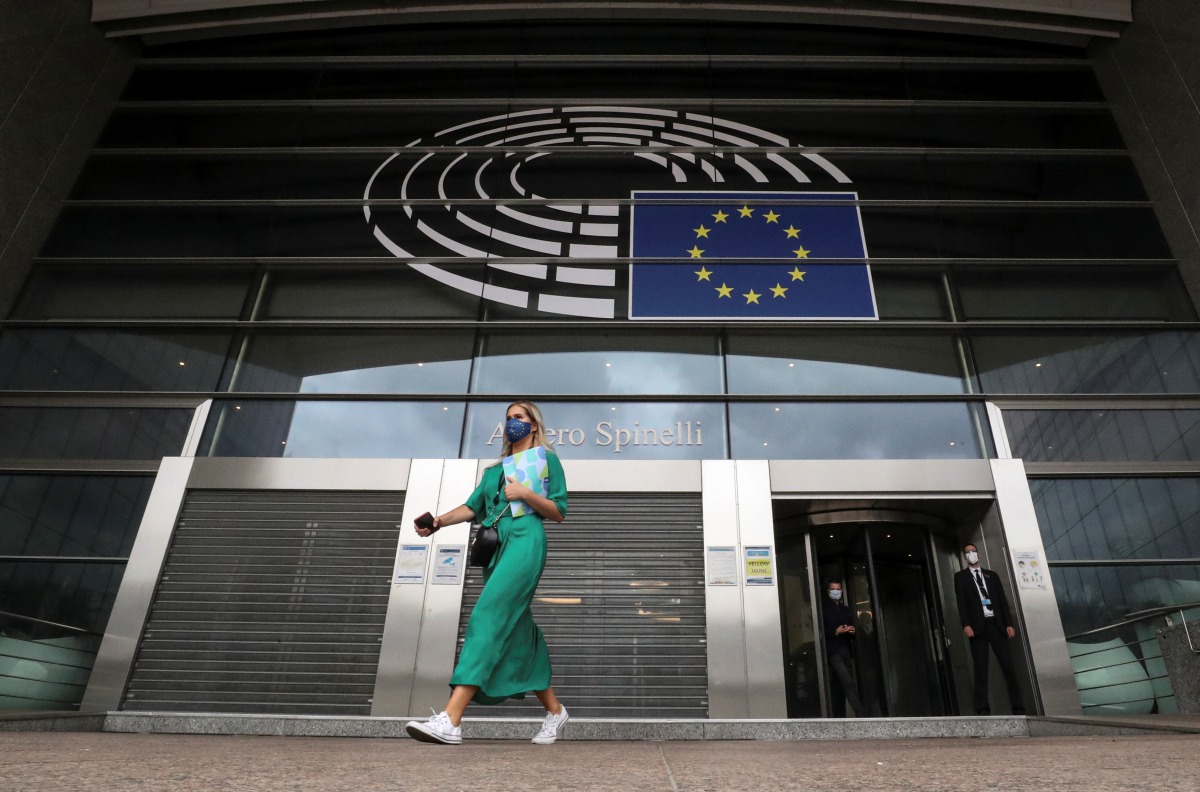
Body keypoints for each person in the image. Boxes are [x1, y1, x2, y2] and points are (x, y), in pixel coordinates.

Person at [404, 400, 570, 745]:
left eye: (519, 418)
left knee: (488, 617)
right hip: (497, 546)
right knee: (517, 628)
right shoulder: (493, 471)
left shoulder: (547, 461)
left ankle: (451, 719)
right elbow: (471, 507)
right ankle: (555, 711)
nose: (513, 423)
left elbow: (558, 510)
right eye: (509, 419)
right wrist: (436, 522)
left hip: (526, 539)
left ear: (534, 425)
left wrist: (525, 493)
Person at [953, 543, 1026, 716]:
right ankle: (982, 708)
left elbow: (1002, 600)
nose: (971, 554)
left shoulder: (992, 576)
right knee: (980, 669)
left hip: (997, 625)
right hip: (978, 628)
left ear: (978, 554)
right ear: (965, 557)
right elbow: (961, 602)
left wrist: (1009, 623)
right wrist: (966, 624)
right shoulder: (960, 577)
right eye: (968, 553)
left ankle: (1018, 707)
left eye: (973, 552)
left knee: (1008, 667)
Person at [821, 580, 865, 718]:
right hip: (833, 652)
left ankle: (840, 715)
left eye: (838, 589)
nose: (836, 592)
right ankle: (861, 713)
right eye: (833, 589)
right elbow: (821, 632)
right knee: (847, 681)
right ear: (828, 592)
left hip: (845, 650)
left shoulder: (846, 609)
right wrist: (836, 632)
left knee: (840, 684)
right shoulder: (823, 609)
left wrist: (852, 631)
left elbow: (853, 629)